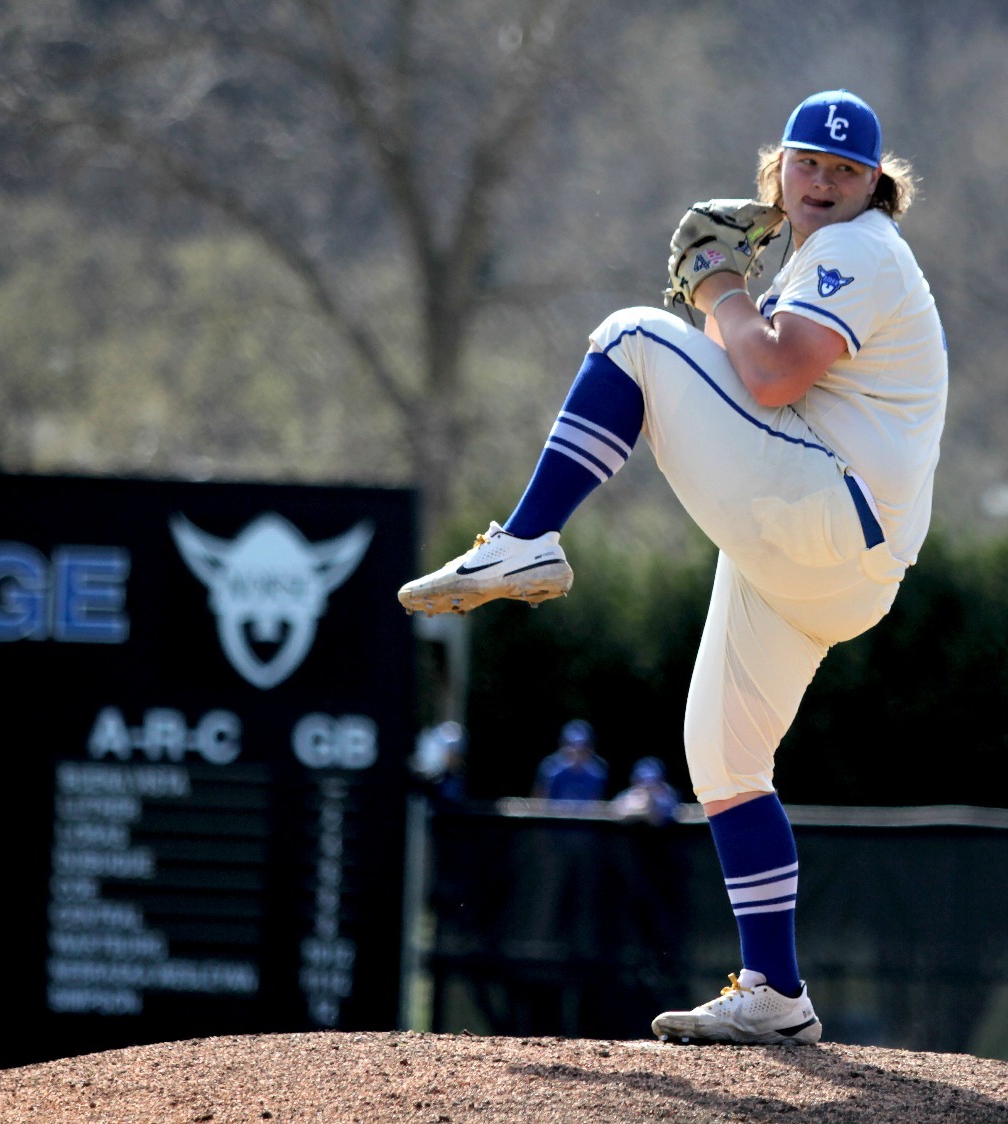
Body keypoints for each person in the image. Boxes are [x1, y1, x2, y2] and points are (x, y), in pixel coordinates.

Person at [398, 89, 946, 1046]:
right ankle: (775, 991)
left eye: (847, 170)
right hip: (827, 554)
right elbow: (760, 382)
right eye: (808, 162)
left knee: (629, 338)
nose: (824, 181)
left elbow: (771, 374)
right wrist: (734, 299)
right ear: (777, 169)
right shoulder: (815, 261)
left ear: (875, 187)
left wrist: (716, 290)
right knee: (726, 761)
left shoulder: (861, 251)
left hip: (832, 514)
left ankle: (528, 535)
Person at [531, 719, 609, 802]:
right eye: (572, 746)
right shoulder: (552, 774)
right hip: (556, 814)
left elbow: (596, 804)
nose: (576, 752)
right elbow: (540, 802)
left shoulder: (596, 777)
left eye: (582, 748)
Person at [611, 756, 681, 827]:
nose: (647, 785)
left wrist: (651, 807)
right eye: (642, 781)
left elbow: (670, 815)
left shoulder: (668, 796)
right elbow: (616, 812)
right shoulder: (629, 795)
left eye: (653, 781)